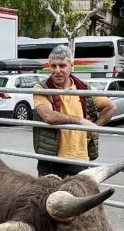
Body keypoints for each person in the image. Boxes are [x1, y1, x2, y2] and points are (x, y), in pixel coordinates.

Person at [31, 45, 115, 178]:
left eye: (62, 66)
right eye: (53, 66)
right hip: (50, 160)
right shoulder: (42, 88)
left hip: (79, 159)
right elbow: (49, 116)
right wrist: (81, 121)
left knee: (78, 198)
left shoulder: (84, 89)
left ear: (71, 66)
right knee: (47, 198)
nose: (57, 71)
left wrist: (95, 127)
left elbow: (110, 107)